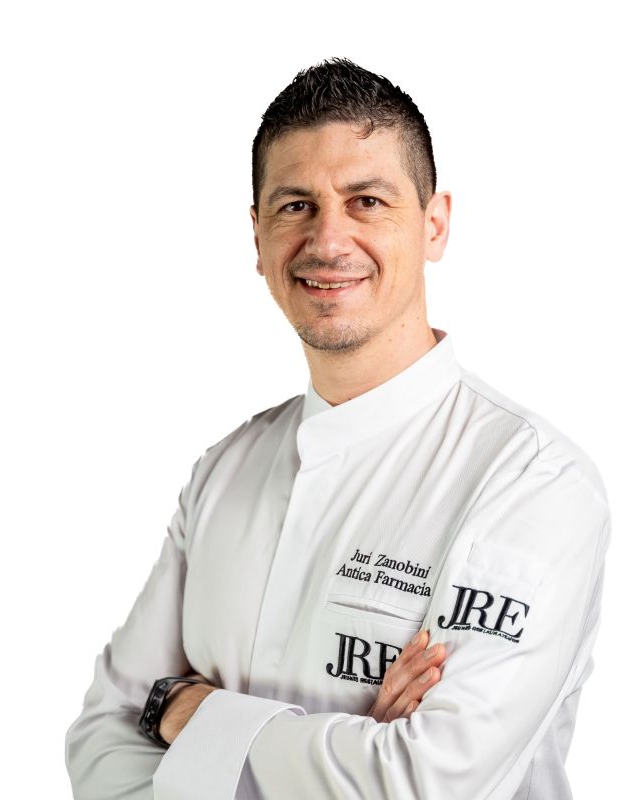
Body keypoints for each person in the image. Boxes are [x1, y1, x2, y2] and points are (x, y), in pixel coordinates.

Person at [65, 57, 611, 799]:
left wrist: (190, 714)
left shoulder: (532, 482)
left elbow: (425, 780)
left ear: (435, 224)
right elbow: (103, 733)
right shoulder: (225, 470)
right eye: (296, 206)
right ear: (257, 237)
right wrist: (355, 743)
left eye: (367, 201)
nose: (327, 240)